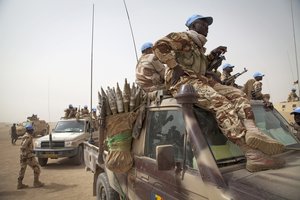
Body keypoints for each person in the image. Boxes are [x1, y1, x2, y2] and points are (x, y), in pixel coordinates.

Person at [153, 14, 285, 172]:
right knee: (222, 103)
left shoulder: (198, 46)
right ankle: (252, 155)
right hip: (184, 82)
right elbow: (159, 45)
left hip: (200, 80)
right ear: (193, 26)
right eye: (203, 24)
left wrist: (212, 56)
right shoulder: (183, 37)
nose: (207, 27)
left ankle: (252, 131)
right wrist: (174, 66)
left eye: (207, 25)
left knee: (238, 94)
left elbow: (199, 66)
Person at [17, 124, 44, 189]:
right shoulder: (28, 137)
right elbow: (23, 146)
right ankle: (36, 182)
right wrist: (31, 151)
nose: (33, 131)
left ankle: (19, 184)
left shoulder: (25, 136)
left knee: (22, 170)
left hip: (23, 156)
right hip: (28, 157)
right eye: (32, 130)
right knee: (37, 168)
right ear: (30, 130)